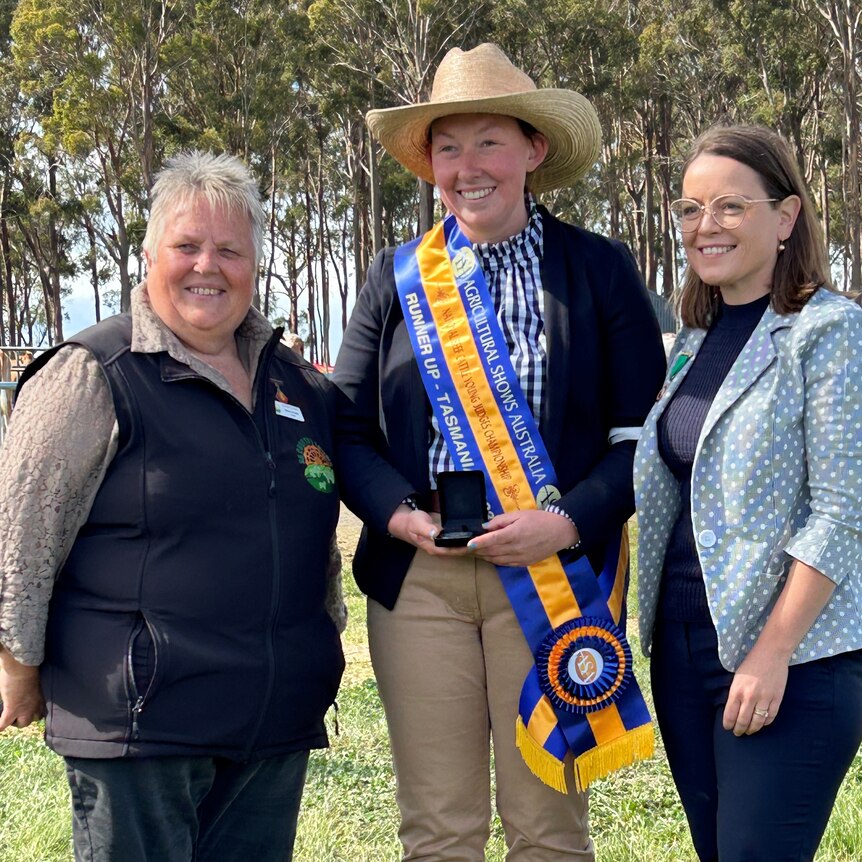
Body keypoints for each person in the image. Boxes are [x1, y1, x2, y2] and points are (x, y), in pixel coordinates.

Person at [334, 43, 666, 861]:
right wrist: (399, 515)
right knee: (438, 831)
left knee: (548, 830)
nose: (466, 165)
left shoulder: (598, 270)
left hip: (550, 580)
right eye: (447, 146)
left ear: (533, 150)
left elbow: (643, 440)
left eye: (488, 141)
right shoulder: (394, 277)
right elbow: (344, 429)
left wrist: (567, 523)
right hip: (421, 586)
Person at [0, 151, 345, 862]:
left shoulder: (295, 383)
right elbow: (22, 528)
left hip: (270, 727)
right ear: (150, 254)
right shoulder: (92, 373)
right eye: (187, 246)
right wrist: (16, 663)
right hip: (139, 729)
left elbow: (312, 523)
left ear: (257, 263)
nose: (206, 267)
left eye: (229, 250)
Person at [634, 124, 862, 862]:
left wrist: (771, 653)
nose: (706, 226)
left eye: (731, 206)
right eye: (692, 209)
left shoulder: (833, 332)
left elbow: (841, 513)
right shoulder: (693, 343)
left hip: (793, 662)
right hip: (683, 651)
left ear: (787, 216)